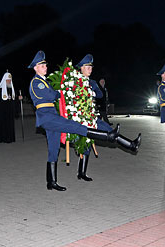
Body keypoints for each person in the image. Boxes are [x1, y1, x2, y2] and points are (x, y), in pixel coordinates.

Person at [28, 50, 119, 192]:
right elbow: (51, 95)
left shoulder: (44, 81)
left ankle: (51, 182)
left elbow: (54, 95)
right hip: (47, 117)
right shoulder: (36, 82)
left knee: (54, 149)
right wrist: (60, 92)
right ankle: (108, 136)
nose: (45, 67)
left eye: (45, 65)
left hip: (50, 115)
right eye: (42, 65)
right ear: (35, 68)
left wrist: (60, 93)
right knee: (74, 126)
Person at [77, 55, 141, 175]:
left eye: (91, 67)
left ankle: (132, 145)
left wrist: (93, 90)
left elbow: (100, 95)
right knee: (86, 144)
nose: (90, 69)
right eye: (87, 67)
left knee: (109, 131)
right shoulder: (75, 81)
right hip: (80, 118)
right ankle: (81, 173)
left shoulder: (92, 82)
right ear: (81, 68)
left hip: (91, 117)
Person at [0, 71, 16, 142]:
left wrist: (19, 98)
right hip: (2, 112)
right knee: (2, 126)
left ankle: (9, 138)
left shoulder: (11, 90)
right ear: (4, 80)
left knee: (9, 125)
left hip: (9, 112)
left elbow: (13, 100)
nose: (9, 81)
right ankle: (1, 138)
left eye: (10, 80)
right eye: (7, 80)